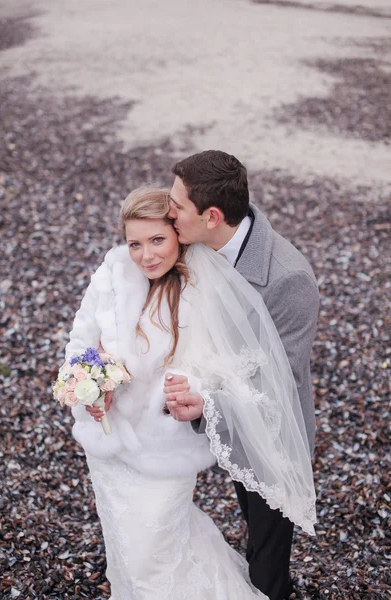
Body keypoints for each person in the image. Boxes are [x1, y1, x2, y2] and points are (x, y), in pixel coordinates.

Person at [68, 185, 316, 600]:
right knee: (125, 552)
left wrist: (196, 392)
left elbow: (223, 365)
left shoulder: (200, 287)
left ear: (178, 236)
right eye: (134, 243)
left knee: (155, 554)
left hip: (165, 451)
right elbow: (80, 343)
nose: (146, 255)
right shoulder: (111, 274)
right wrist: (88, 388)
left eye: (157, 240)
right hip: (109, 447)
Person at [163, 150, 320, 600]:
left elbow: (279, 381)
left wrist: (206, 402)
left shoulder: (289, 279)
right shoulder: (196, 243)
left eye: (177, 206)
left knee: (267, 550)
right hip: (229, 419)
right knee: (248, 517)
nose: (168, 212)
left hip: (275, 435)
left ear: (212, 216)